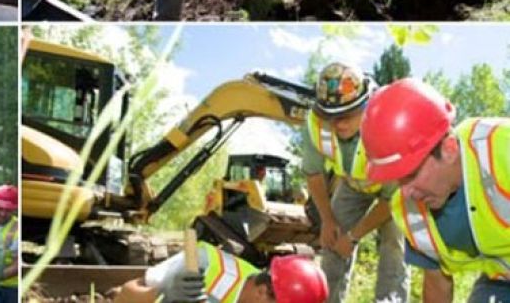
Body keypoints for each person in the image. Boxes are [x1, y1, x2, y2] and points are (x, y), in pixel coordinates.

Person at [362, 79, 510, 303]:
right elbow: (436, 282)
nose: (407, 192)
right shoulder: (408, 210)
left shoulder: (501, 146)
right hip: (501, 282)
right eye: (398, 180)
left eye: (411, 174)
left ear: (449, 149)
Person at [303, 63, 408, 302]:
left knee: (393, 245)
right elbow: (314, 174)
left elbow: (391, 200)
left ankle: (390, 299)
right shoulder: (314, 125)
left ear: (367, 105)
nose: (338, 124)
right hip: (353, 184)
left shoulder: (388, 125)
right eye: (331, 117)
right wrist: (327, 221)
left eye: (347, 115)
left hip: (394, 189)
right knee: (332, 241)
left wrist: (353, 237)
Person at [113, 241, 328, 303]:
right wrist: (163, 294)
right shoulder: (201, 265)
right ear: (262, 292)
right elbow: (124, 296)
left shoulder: (260, 289)